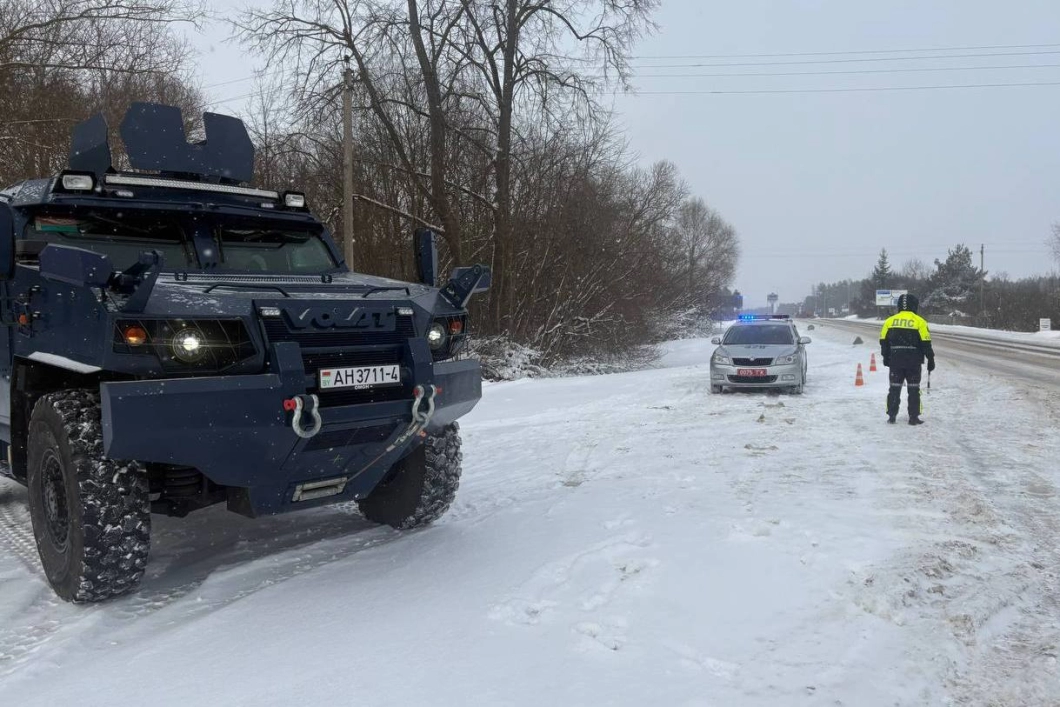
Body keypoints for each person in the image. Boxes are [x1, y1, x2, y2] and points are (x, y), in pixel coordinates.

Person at [879, 293, 935, 425]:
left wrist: (886, 357)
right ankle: (913, 417)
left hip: (895, 361)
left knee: (894, 389)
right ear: (914, 305)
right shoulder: (920, 322)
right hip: (913, 362)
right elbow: (926, 343)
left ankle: (892, 416)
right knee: (914, 389)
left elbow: (883, 341)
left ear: (899, 305)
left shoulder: (889, 321)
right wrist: (930, 359)